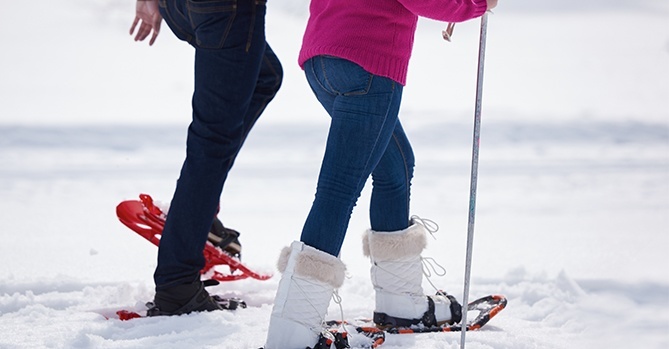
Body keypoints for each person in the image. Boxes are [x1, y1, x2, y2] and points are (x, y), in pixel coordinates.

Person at [263, 0, 498, 347]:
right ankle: (293, 334)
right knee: (339, 189)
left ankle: (400, 302)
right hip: (368, 62)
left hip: (324, 57)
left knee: (395, 166)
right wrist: (470, 6)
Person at [129, 0, 283, 316]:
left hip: (182, 6)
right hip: (228, 10)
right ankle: (178, 284)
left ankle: (198, 214)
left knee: (264, 77)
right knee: (212, 137)